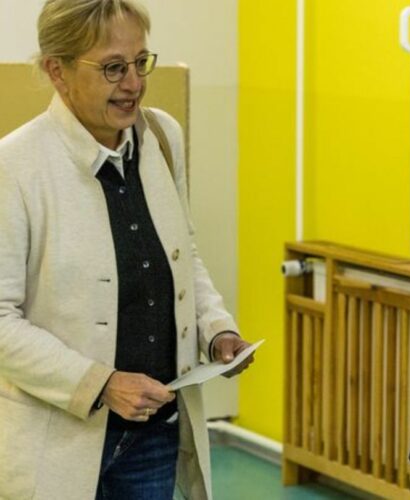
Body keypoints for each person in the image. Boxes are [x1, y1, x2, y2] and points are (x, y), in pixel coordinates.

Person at [0, 1, 253, 498]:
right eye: (114, 68)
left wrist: (216, 327)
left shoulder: (162, 136)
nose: (134, 83)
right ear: (58, 70)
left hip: (154, 433)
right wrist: (99, 382)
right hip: (58, 438)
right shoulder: (16, 166)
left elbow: (183, 254)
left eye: (141, 62)